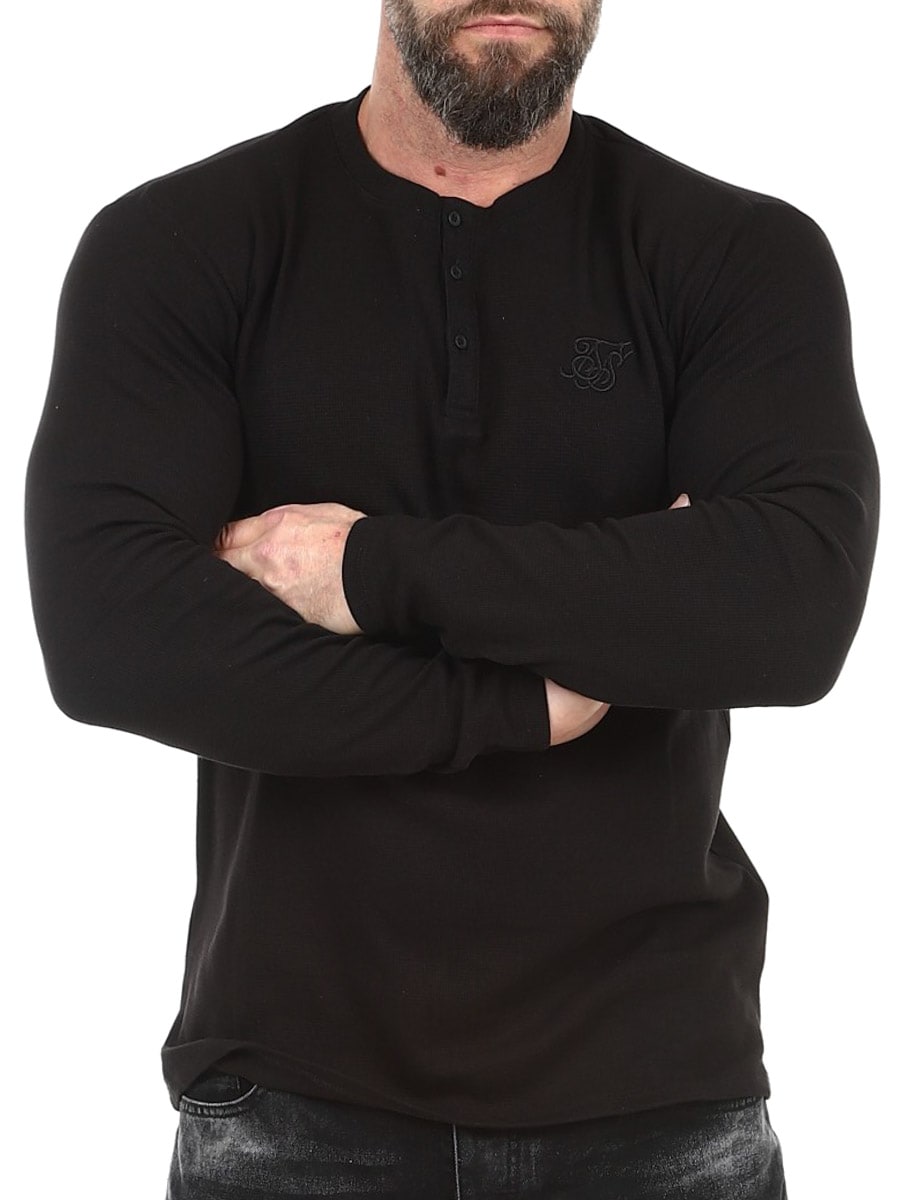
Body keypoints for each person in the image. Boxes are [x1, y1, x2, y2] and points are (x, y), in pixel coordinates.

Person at [25, 1, 879, 1196]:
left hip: (663, 1094)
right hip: (293, 1092)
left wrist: (366, 569)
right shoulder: (185, 241)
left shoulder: (736, 254)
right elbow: (112, 637)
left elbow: (791, 608)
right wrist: (525, 698)